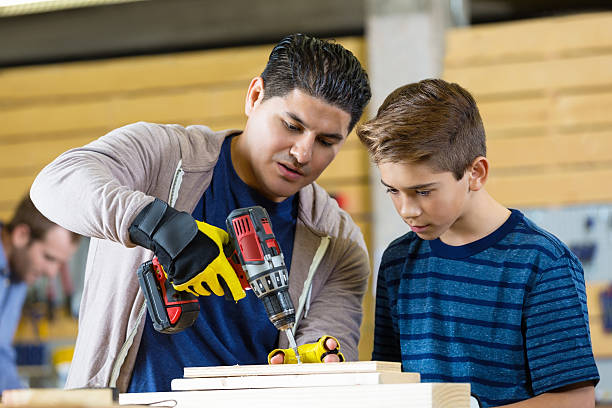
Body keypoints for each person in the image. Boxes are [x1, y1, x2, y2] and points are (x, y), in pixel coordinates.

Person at [30, 33, 371, 393]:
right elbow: (56, 181)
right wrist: (158, 225)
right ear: (255, 97)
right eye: (292, 126)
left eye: (326, 141)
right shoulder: (163, 156)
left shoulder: (339, 242)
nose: (302, 153)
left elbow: (329, 341)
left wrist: (319, 362)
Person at [356, 79, 599, 407]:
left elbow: (576, 402)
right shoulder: (398, 261)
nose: (407, 210)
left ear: (476, 173)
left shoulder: (542, 262)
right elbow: (389, 385)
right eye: (393, 190)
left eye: (423, 191)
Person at [0, 195, 79, 393]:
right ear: (21, 235)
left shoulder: (17, 275)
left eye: (60, 264)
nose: (52, 273)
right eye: (48, 257)